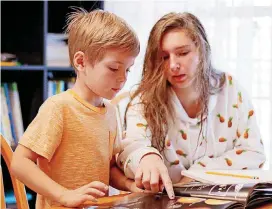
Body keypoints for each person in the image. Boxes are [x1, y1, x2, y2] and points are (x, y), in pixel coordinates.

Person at [116, 12, 266, 199]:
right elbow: (130, 147)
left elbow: (254, 153)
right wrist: (146, 157)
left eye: (183, 53)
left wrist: (197, 173)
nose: (173, 65)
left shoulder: (230, 89)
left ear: (202, 50)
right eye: (164, 57)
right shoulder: (145, 100)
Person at [11, 8, 140, 209]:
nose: (123, 78)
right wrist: (64, 195)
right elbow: (19, 163)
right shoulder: (58, 108)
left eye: (128, 69)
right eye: (114, 68)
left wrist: (130, 185)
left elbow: (109, 167)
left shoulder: (111, 112)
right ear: (81, 62)